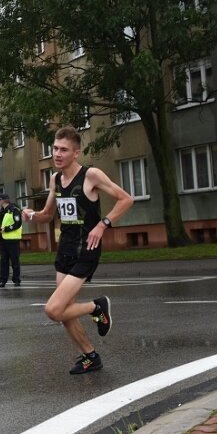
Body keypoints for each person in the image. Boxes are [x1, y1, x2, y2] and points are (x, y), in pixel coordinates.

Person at [22, 125, 133, 374]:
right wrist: (32, 215)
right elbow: (48, 215)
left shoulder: (91, 175)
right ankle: (90, 356)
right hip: (66, 250)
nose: (57, 154)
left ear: (76, 153)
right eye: (54, 149)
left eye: (63, 150)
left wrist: (103, 225)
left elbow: (126, 199)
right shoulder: (55, 179)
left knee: (54, 309)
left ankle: (97, 306)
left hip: (87, 249)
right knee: (65, 312)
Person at [0, 193, 23, 287]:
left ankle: (16, 279)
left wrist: (6, 229)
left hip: (13, 240)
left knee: (15, 261)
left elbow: (18, 223)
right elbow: (2, 224)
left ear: (3, 200)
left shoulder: (14, 210)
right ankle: (3, 280)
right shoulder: (1, 212)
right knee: (3, 261)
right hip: (3, 239)